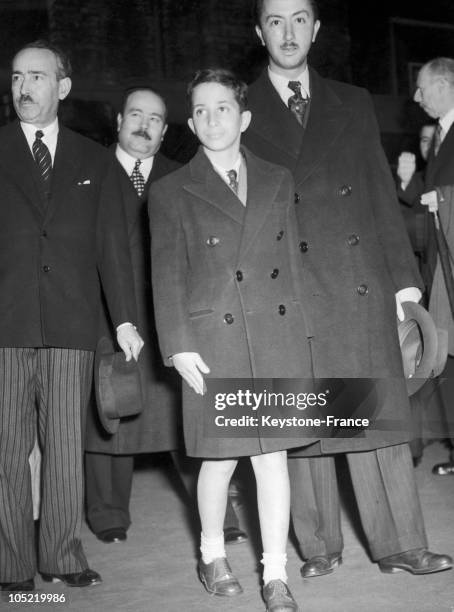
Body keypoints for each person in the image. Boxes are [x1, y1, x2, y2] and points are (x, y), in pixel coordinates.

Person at [243, 0, 453, 579]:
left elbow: (382, 197)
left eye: (300, 19)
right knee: (309, 415)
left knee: (377, 413)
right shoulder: (240, 108)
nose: (289, 32)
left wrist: (404, 287)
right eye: (276, 21)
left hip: (358, 279)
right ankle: (319, 545)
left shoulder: (353, 102)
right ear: (259, 30)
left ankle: (401, 544)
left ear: (316, 28)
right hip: (291, 283)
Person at [149, 68, 315, 612]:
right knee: (218, 462)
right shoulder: (171, 191)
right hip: (210, 341)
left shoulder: (278, 178)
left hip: (274, 333)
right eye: (199, 110)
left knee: (274, 461)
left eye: (222, 107)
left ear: (243, 118)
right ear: (191, 123)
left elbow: (291, 264)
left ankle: (275, 575)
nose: (211, 118)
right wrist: (176, 344)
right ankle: (213, 553)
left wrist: (304, 338)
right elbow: (166, 273)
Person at [0, 40, 143, 593]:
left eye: (36, 77)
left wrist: (125, 320)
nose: (24, 87)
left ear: (61, 87)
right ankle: (11, 568)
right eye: (16, 77)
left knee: (64, 447)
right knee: (7, 451)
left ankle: (61, 555)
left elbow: (113, 247)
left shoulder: (93, 158)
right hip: (6, 324)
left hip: (72, 325)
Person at [84, 87, 246, 546]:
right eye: (135, 114)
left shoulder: (182, 176)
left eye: (155, 118)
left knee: (187, 416)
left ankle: (217, 514)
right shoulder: (88, 171)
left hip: (170, 314)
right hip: (102, 312)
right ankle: (108, 512)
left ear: (165, 130)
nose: (144, 124)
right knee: (106, 411)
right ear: (118, 120)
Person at [411, 58, 454, 476]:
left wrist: (442, 197)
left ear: (443, 85)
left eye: (422, 88)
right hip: (439, 262)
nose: (416, 96)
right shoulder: (440, 135)